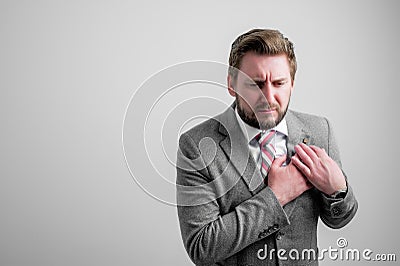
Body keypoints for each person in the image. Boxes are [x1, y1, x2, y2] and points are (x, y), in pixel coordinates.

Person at [176, 29, 358, 266]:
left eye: (279, 83)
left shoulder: (320, 131)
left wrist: (337, 191)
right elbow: (202, 247)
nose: (268, 96)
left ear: (292, 83)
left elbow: (339, 219)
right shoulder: (197, 145)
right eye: (255, 84)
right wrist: (276, 196)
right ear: (232, 84)